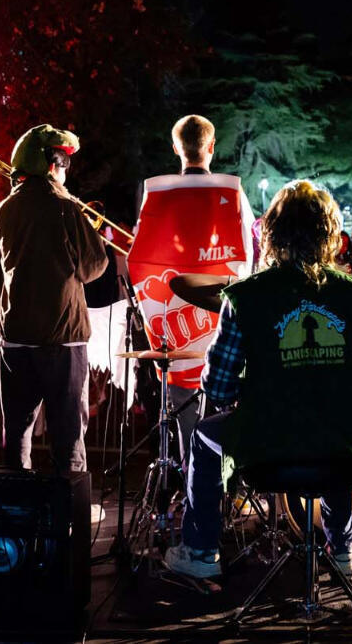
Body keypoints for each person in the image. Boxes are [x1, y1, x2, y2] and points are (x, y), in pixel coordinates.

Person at [164, 181, 352, 579]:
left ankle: (201, 552)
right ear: (330, 234)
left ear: (272, 233)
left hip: (268, 450)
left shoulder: (243, 298)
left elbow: (217, 389)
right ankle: (343, 549)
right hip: (345, 449)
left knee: (204, 436)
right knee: (334, 427)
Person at [129, 114, 255, 463]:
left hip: (177, 339)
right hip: (223, 339)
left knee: (189, 435)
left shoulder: (157, 196)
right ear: (212, 146)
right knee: (225, 429)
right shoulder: (231, 193)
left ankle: (190, 489)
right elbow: (248, 259)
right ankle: (224, 489)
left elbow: (140, 261)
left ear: (176, 148)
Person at [0, 124, 110, 476]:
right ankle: (67, 504)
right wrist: (89, 232)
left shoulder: (4, 209)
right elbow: (93, 266)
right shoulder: (66, 208)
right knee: (67, 434)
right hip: (62, 336)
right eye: (64, 163)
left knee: (17, 432)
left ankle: (18, 501)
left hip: (15, 335)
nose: (66, 171)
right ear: (51, 164)